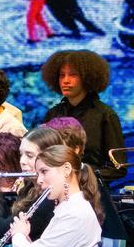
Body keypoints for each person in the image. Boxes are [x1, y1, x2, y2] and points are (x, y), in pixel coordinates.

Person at [41, 50, 125, 180]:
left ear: (87, 78)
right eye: (62, 75)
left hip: (92, 193)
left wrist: (82, 175)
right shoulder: (52, 114)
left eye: (73, 75)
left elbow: (119, 168)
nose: (65, 81)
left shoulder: (105, 115)